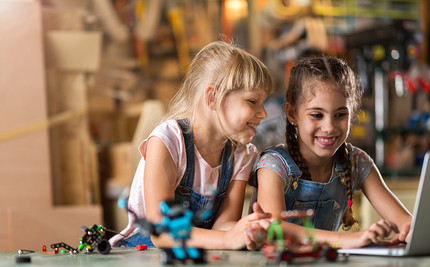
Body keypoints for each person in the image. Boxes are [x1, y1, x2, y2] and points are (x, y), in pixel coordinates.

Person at [109, 41, 273, 250]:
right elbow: (162, 232)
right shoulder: (167, 141)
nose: (264, 114)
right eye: (252, 102)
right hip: (143, 253)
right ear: (212, 97)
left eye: (263, 102)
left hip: (194, 256)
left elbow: (224, 224)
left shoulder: (243, 154)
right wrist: (228, 239)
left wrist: (248, 230)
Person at [251, 55, 412, 249]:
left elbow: (404, 222)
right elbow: (274, 229)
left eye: (340, 115)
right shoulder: (273, 164)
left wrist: (410, 229)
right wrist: (349, 240)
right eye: (317, 115)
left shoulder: (356, 161)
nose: (329, 127)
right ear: (292, 114)